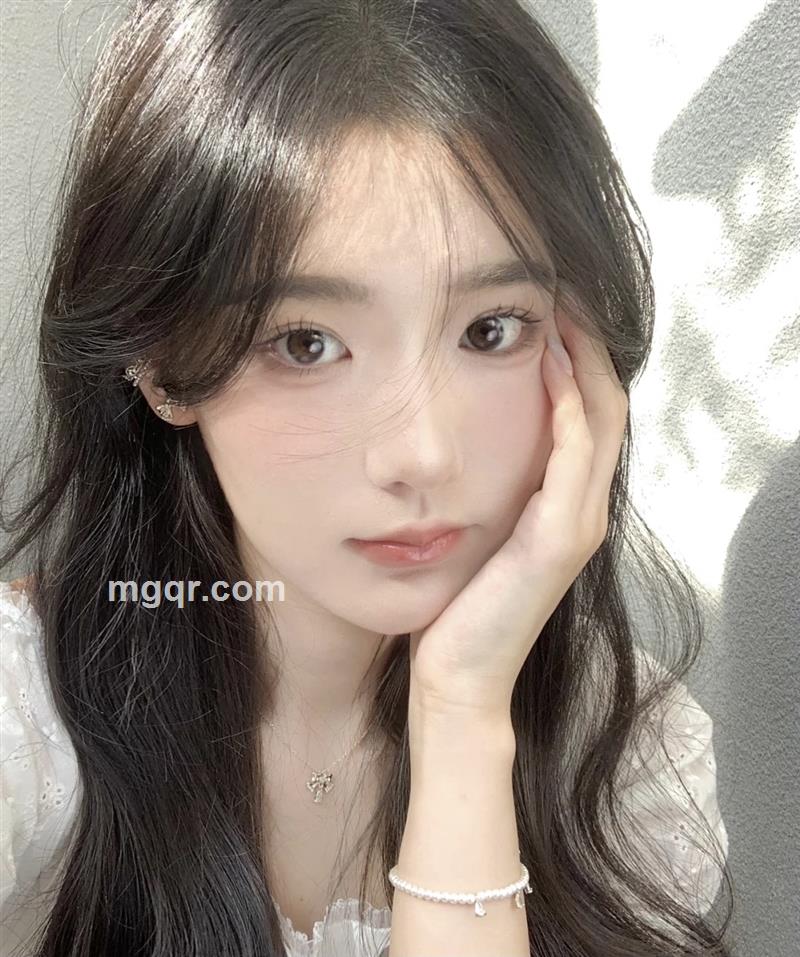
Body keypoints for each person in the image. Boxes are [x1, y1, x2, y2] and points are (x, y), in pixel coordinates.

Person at [0, 1, 733, 955]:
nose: (423, 453)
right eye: (306, 342)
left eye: (491, 329)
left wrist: (463, 711)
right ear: (162, 361)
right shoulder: (25, 721)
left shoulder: (627, 763)